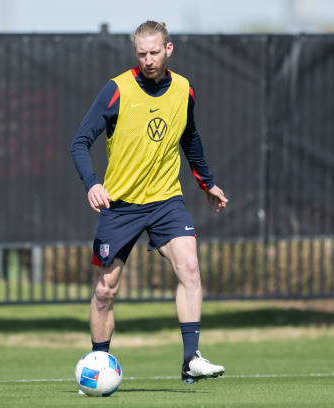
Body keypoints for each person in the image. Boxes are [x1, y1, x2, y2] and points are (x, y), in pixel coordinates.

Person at [71, 20, 228, 385]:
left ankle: (191, 359)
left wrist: (208, 183)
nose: (148, 60)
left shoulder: (184, 90)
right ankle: (98, 365)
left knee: (189, 266)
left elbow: (190, 139)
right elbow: (79, 141)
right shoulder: (117, 90)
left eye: (155, 52)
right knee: (105, 289)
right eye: (141, 54)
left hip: (165, 201)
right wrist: (92, 184)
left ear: (168, 50)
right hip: (120, 205)